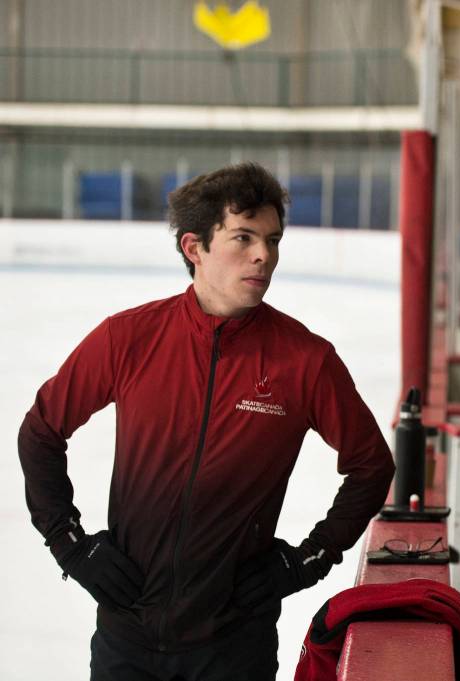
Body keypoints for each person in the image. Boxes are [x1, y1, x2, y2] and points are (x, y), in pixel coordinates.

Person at [18, 162, 395, 680]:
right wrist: (68, 543)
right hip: (127, 635)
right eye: (243, 237)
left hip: (233, 642)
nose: (265, 255)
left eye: (273, 240)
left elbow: (371, 464)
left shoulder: (305, 360)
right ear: (195, 248)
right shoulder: (127, 339)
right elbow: (40, 431)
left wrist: (314, 555)